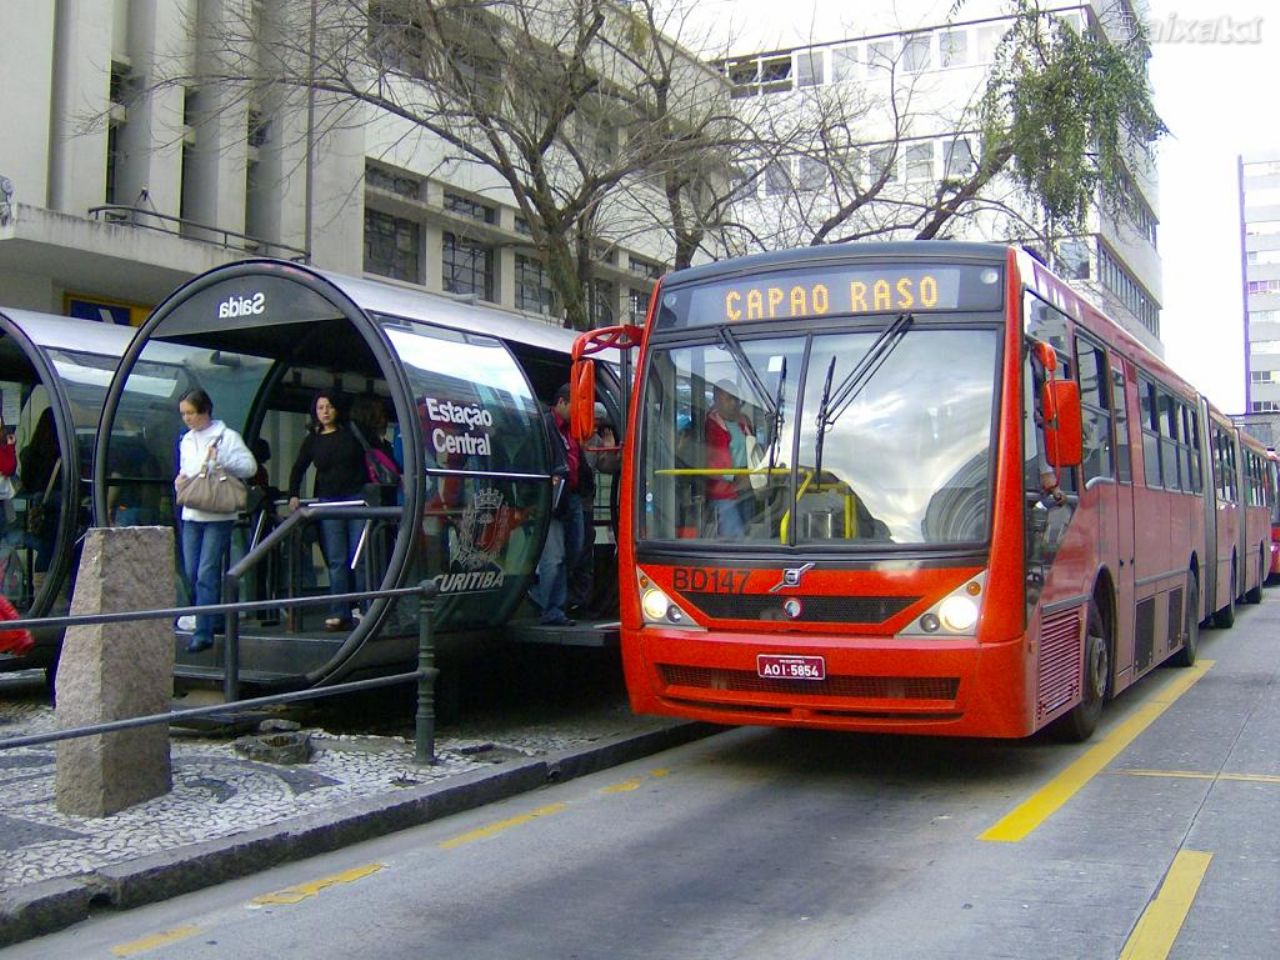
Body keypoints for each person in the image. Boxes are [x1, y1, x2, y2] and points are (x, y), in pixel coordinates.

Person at [175, 388, 256, 654]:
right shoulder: (186, 440)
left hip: (218, 513)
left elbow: (249, 467)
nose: (187, 418)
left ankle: (203, 630)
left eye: (190, 413)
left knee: (206, 572)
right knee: (191, 571)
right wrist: (180, 480)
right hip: (192, 511)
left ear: (204, 411)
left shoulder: (227, 436)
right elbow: (187, 469)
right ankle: (214, 617)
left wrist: (219, 459)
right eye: (184, 413)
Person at [287, 390, 368, 631]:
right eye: (320, 407)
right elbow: (298, 468)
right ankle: (339, 610)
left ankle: (365, 608)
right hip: (329, 502)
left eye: (329, 407)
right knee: (336, 560)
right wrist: (293, 494)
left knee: (359, 557)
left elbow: (375, 454)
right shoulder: (313, 439)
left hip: (357, 501)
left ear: (337, 409)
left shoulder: (352, 432)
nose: (324, 411)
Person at [531, 384, 584, 627]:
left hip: (571, 495)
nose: (578, 411)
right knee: (555, 556)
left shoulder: (574, 429)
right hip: (554, 496)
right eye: (575, 405)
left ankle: (551, 602)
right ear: (561, 402)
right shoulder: (544, 426)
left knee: (574, 549)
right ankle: (551, 607)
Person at [568, 402, 621, 614]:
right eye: (595, 421)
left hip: (586, 502)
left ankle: (579, 600)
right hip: (571, 500)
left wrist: (609, 447)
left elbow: (608, 467)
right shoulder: (569, 434)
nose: (597, 426)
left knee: (584, 551)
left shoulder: (594, 439)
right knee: (572, 550)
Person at [704, 379, 754, 537]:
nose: (733, 403)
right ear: (717, 399)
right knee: (734, 538)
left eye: (736, 399)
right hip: (724, 492)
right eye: (729, 399)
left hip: (746, 488)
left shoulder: (743, 422)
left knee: (749, 537)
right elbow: (712, 461)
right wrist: (737, 476)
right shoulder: (711, 425)